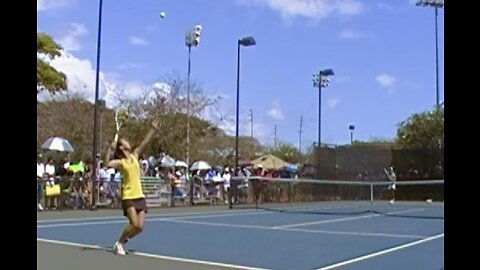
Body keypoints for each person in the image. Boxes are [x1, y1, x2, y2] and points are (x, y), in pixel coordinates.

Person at [104, 119, 160, 255]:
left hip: (139, 195)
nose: (128, 142)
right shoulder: (121, 162)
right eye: (124, 142)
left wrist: (153, 129)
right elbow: (107, 164)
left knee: (140, 227)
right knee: (134, 224)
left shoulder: (135, 156)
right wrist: (109, 149)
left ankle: (122, 242)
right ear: (122, 148)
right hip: (128, 196)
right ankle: (119, 242)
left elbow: (144, 143)